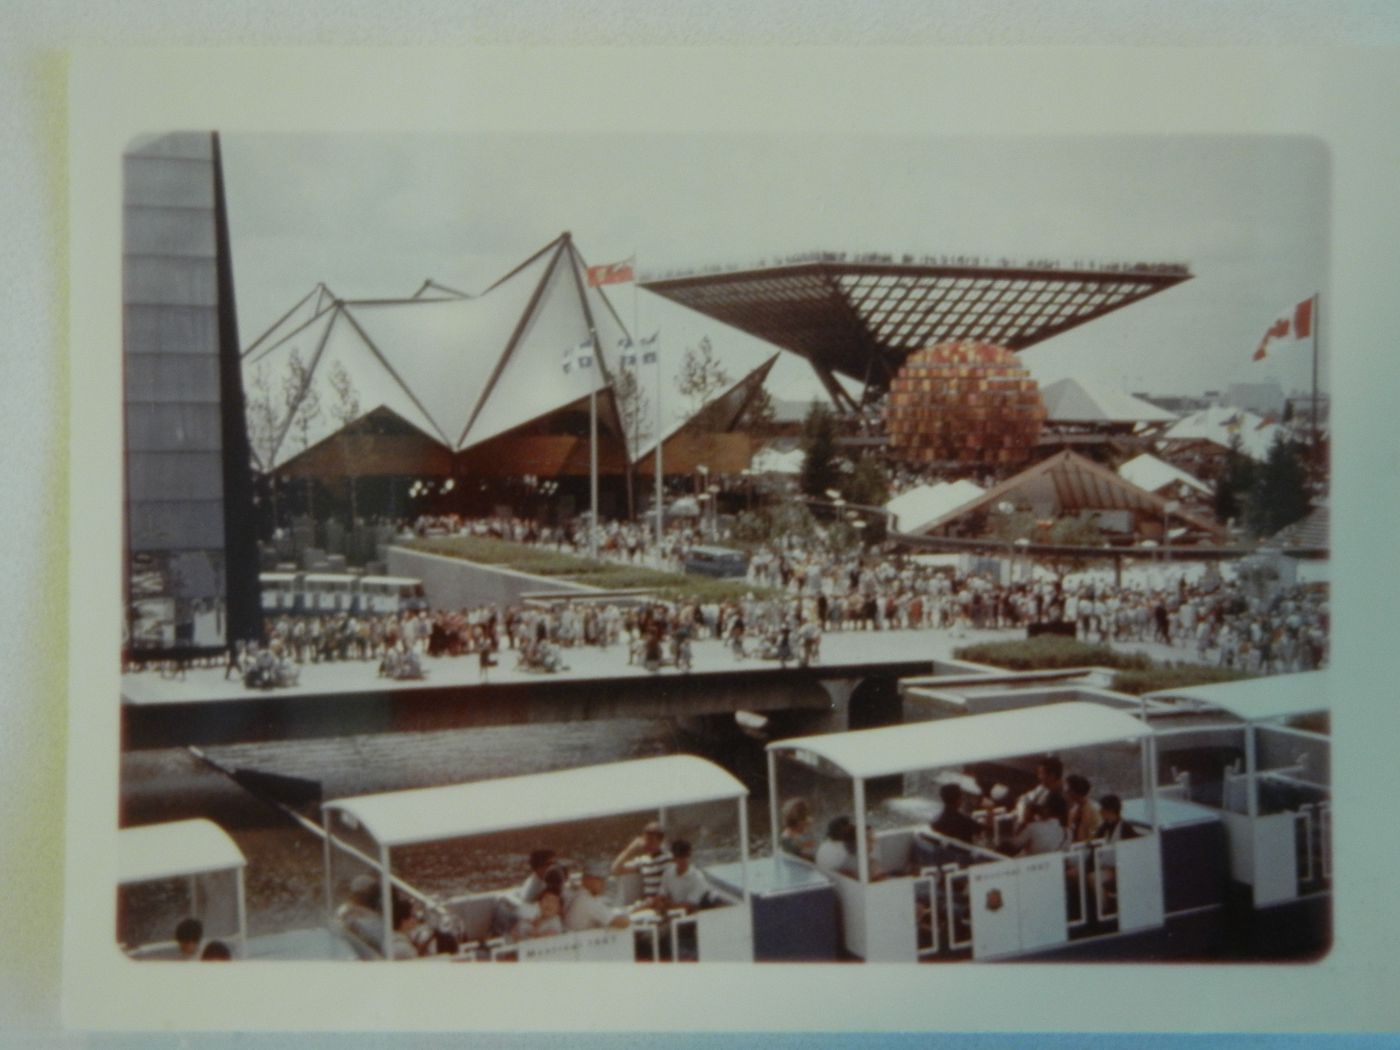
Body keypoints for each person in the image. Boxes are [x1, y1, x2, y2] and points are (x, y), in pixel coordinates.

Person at [612, 820, 672, 901]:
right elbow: (615, 870)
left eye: (651, 840)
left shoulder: (669, 859)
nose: (647, 843)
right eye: (645, 839)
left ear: (660, 841)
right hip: (648, 905)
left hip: (662, 903)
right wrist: (630, 849)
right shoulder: (643, 861)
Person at [564, 862, 631, 931]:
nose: (603, 883)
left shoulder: (581, 895)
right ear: (588, 880)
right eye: (599, 880)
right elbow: (622, 923)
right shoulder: (587, 901)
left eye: (603, 879)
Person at [651, 840, 713, 913]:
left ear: (690, 856)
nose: (683, 860)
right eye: (680, 856)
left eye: (686, 856)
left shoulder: (698, 878)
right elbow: (661, 895)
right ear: (674, 857)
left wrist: (667, 905)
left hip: (691, 918)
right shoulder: (668, 873)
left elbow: (689, 907)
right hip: (670, 913)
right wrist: (660, 903)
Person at [1015, 757, 1065, 831]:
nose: (1039, 777)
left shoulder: (1064, 796)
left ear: (1052, 776)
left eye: (1041, 774)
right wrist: (1022, 819)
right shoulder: (1042, 788)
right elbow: (1023, 799)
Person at [1065, 774, 1102, 844]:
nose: (1066, 792)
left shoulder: (1093, 810)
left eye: (1068, 790)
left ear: (1075, 791)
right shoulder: (1072, 812)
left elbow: (1097, 834)